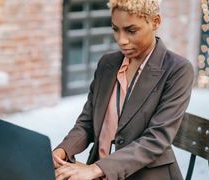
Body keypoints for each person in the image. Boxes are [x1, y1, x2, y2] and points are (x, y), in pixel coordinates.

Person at [53, 0, 194, 179]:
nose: (121, 40)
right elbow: (87, 122)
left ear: (156, 22)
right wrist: (62, 151)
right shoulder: (107, 64)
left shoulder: (178, 69)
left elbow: (156, 139)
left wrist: (95, 169)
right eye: (115, 29)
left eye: (131, 31)